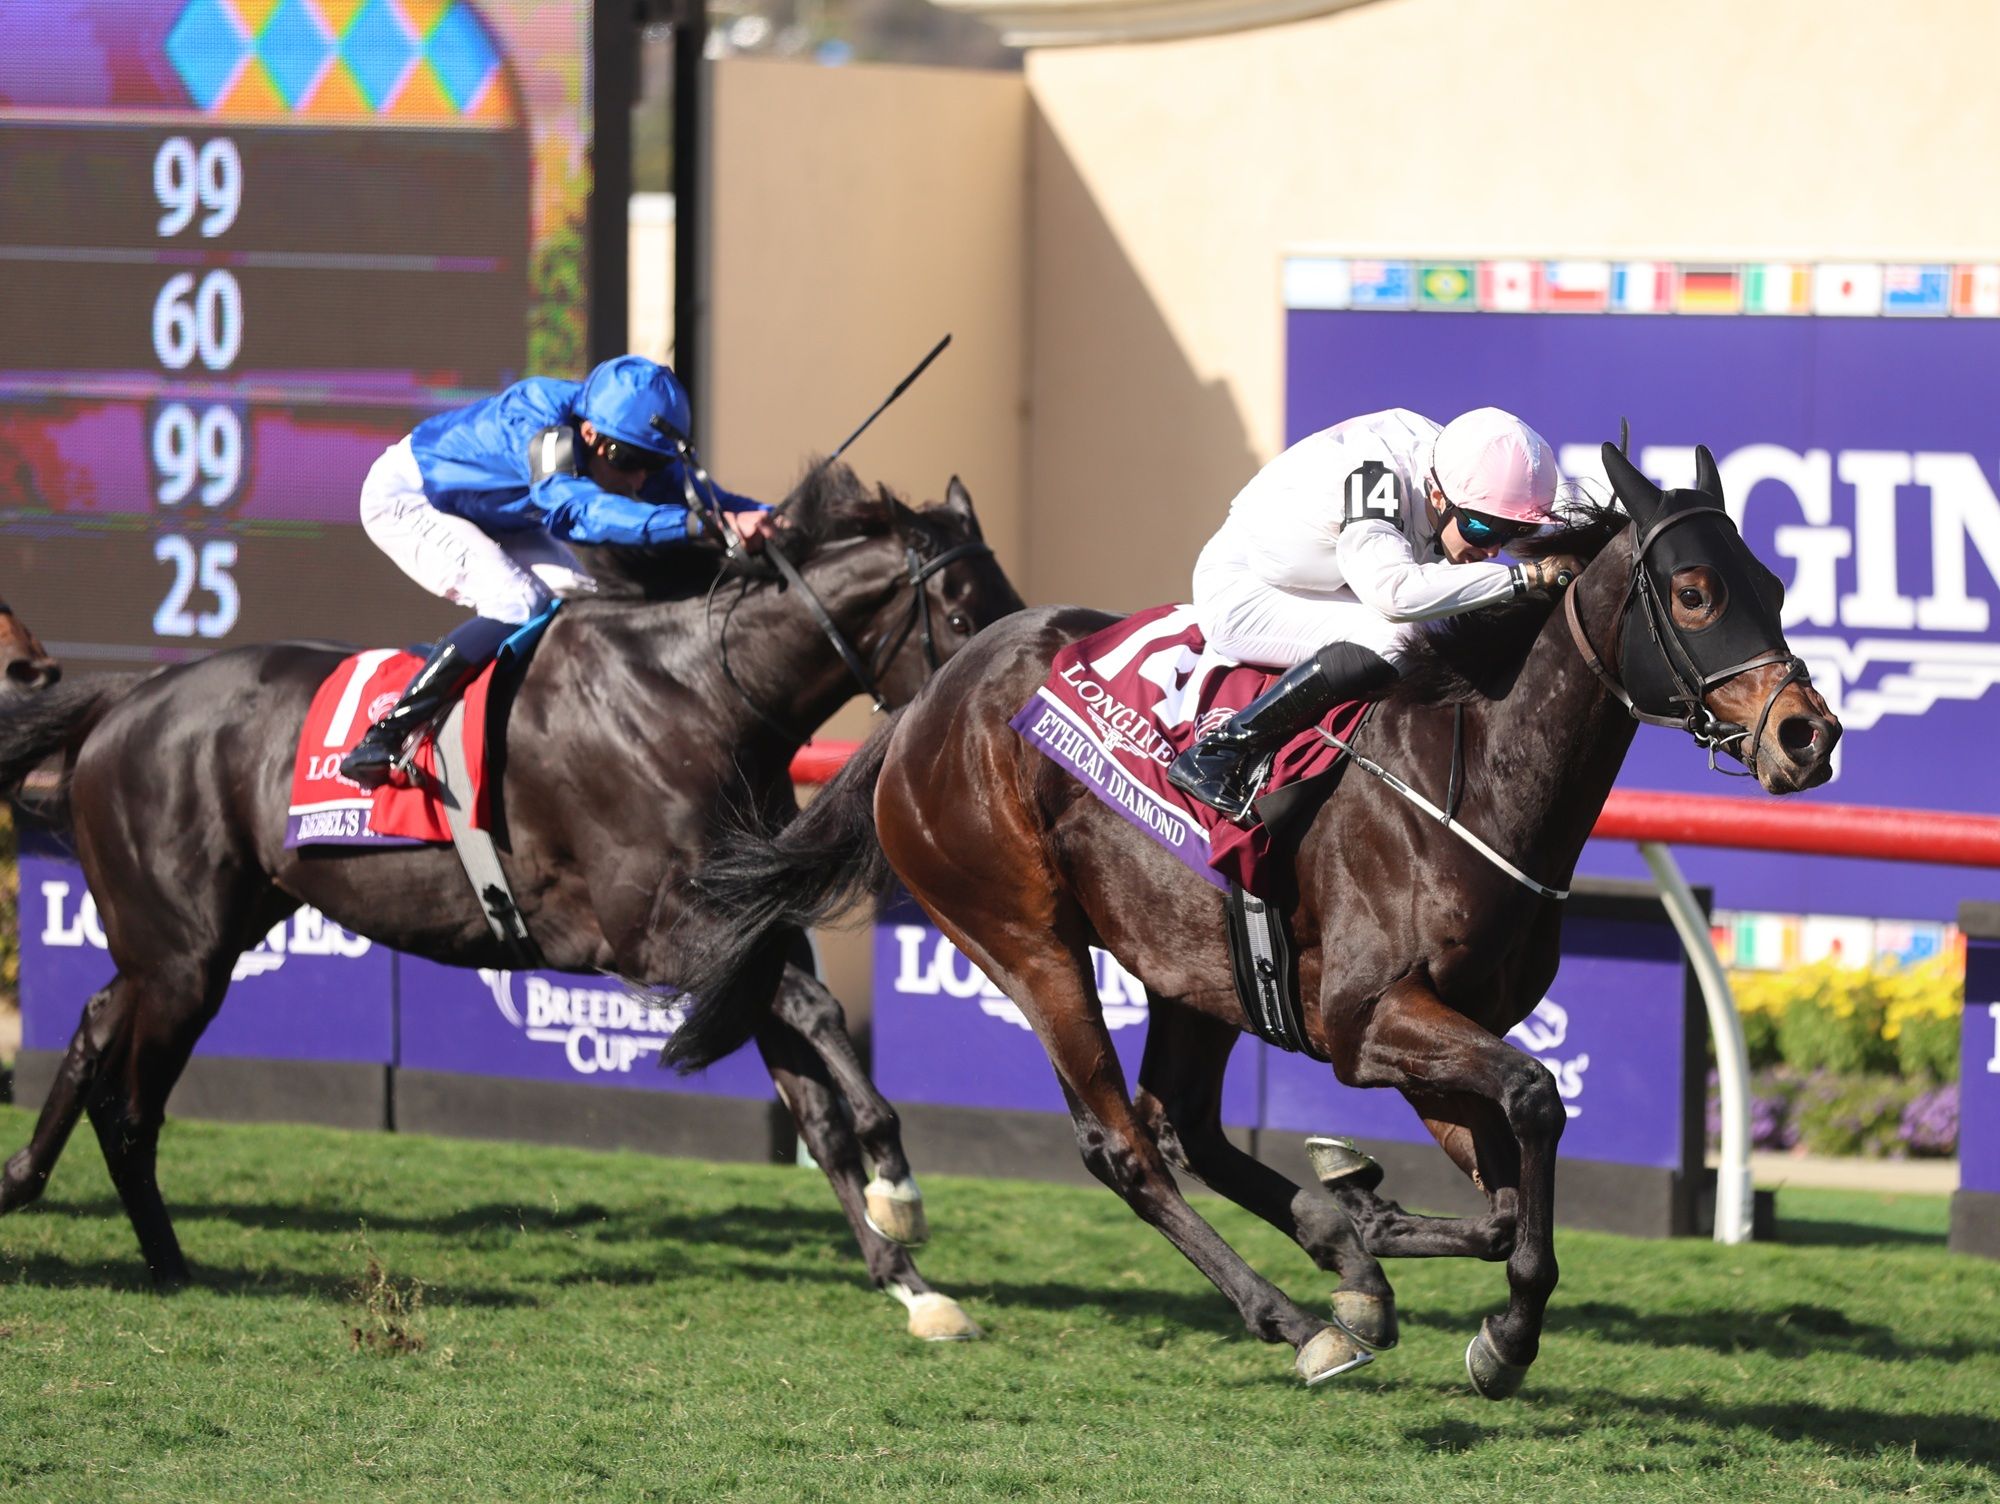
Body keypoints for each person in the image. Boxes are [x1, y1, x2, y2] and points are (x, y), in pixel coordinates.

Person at [340, 354, 776, 788]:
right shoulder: (540, 425)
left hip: (500, 514)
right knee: (517, 602)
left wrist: (773, 517)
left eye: (654, 463)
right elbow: (572, 512)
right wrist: (699, 525)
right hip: (412, 498)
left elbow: (704, 497)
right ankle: (388, 734)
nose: (640, 480)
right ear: (589, 434)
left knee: (587, 598)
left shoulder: (611, 434)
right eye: (629, 461)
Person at [1167, 406, 1582, 820]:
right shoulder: (1377, 476)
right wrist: (1526, 577)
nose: (1493, 549)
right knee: (1396, 640)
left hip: (1324, 579)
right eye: (1483, 528)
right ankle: (1221, 751)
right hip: (1245, 589)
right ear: (1438, 495)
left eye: (1516, 533)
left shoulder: (1458, 464)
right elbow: (1393, 595)